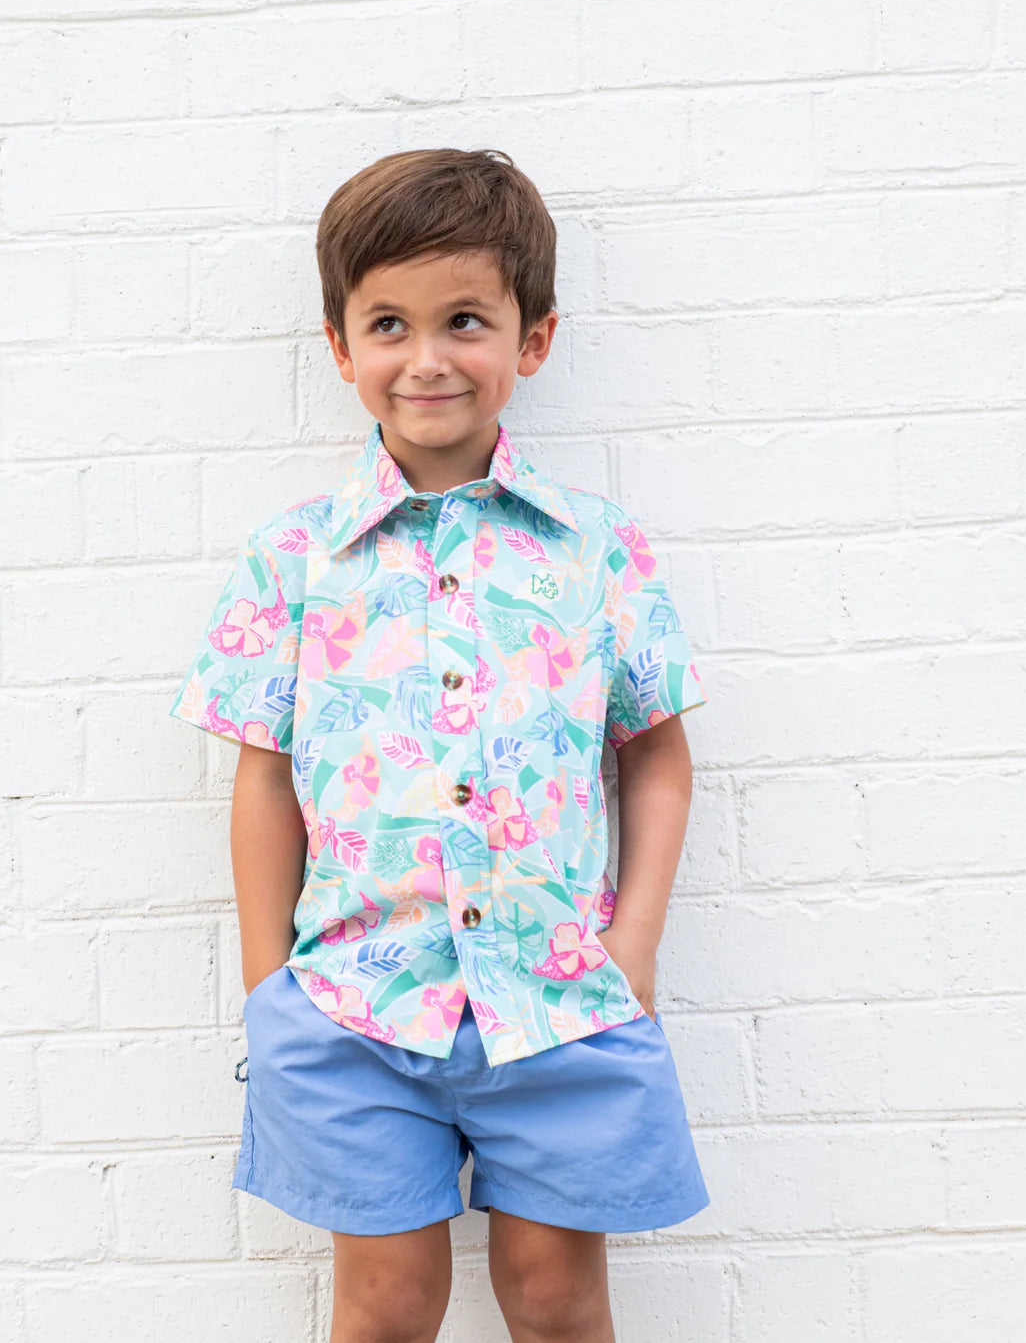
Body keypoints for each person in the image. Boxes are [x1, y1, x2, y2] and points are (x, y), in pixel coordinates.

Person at [170, 147, 710, 1343]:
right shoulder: (296, 559)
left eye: (464, 319)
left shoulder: (597, 551)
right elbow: (264, 777)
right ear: (340, 345)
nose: (426, 358)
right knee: (387, 1303)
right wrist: (273, 987)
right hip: (355, 1007)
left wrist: (634, 941)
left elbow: (656, 753)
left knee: (559, 1297)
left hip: (562, 1002)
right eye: (388, 324)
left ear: (532, 339)